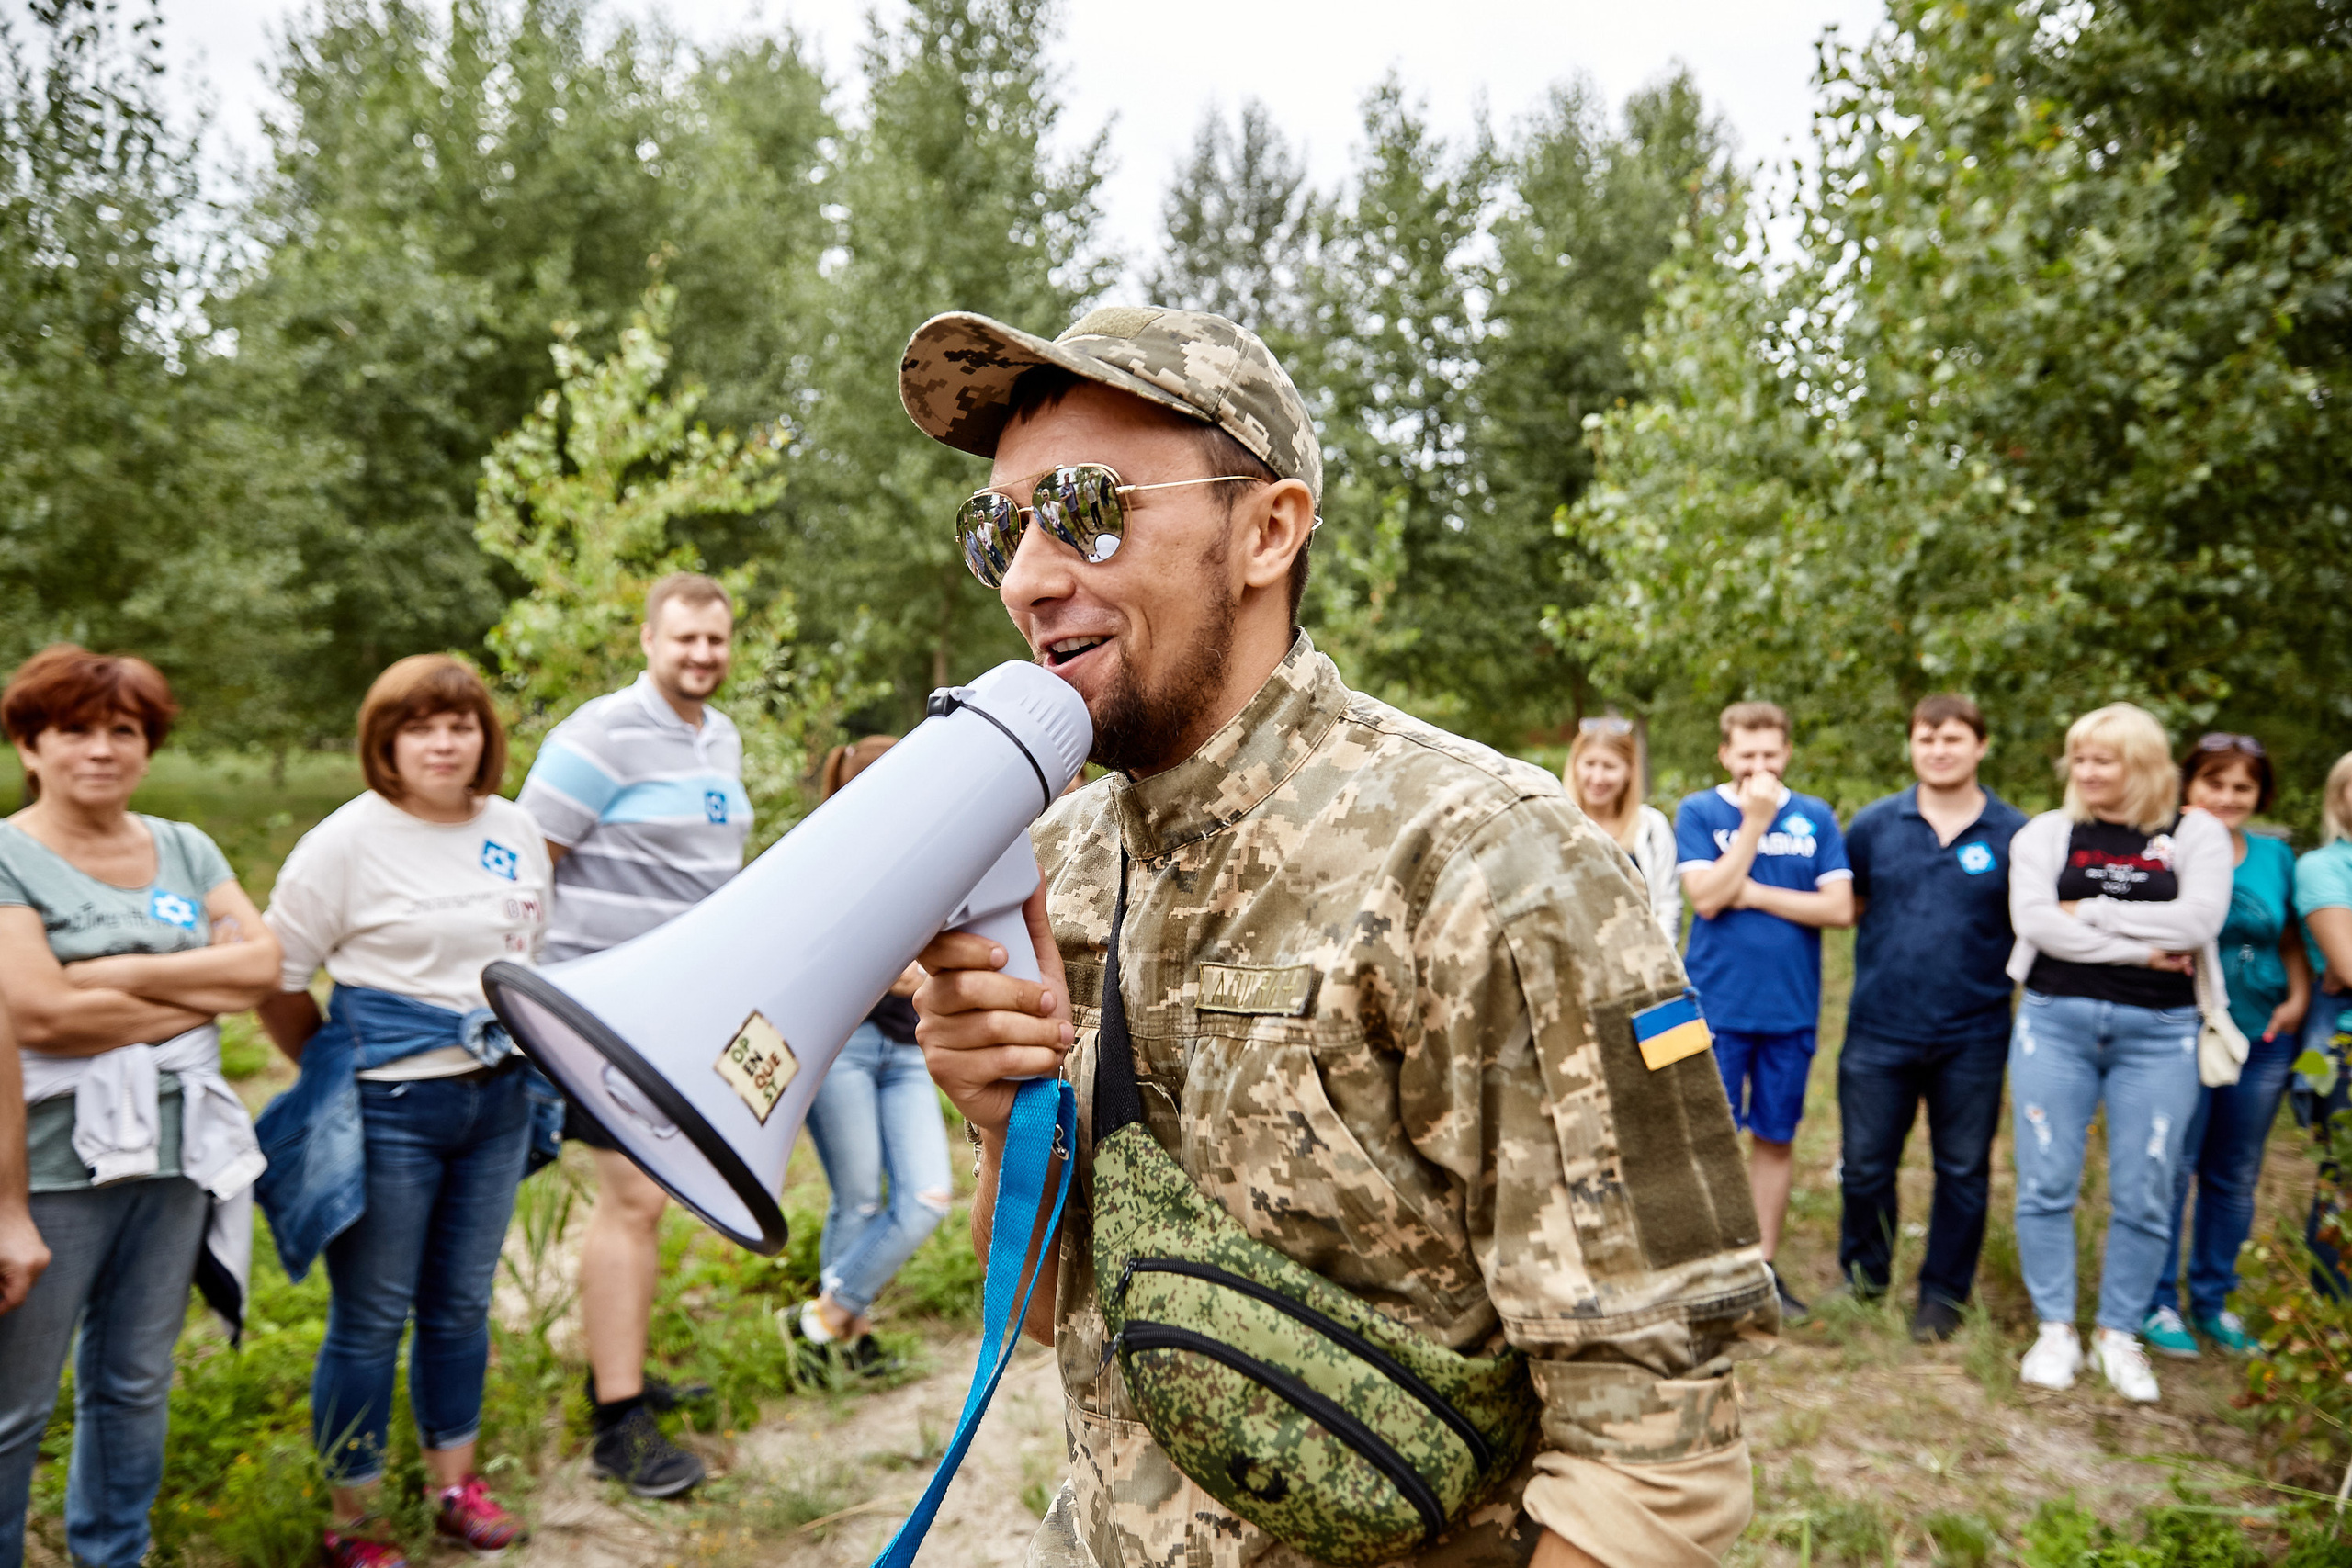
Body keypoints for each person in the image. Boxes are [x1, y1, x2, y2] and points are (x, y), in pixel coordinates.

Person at [905, 305, 1772, 1568]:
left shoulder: (1493, 860)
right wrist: (999, 1118)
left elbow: (1656, 1447)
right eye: (1001, 528)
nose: (1031, 575)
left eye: (1087, 505)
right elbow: (1051, 1313)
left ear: (1268, 529)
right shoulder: (1064, 863)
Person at [254, 656, 551, 1568]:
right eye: (419, 727)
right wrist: (337, 1064)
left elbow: (528, 952)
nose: (443, 742)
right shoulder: (347, 841)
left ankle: (453, 1486)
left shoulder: (513, 827)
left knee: (461, 1305)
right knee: (372, 1316)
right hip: (390, 1112)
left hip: (496, 1101)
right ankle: (356, 1516)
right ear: (386, 743)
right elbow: (275, 974)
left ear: (482, 738)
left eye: (459, 724)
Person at [0, 646, 279, 1568]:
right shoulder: (7, 855)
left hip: (176, 1159)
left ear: (149, 747)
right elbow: (39, 1011)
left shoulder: (185, 847)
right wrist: (195, 991)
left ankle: (112, 1554)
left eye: (124, 730)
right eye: (74, 729)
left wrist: (110, 974)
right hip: (50, 1169)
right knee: (17, 1406)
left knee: (134, 1381)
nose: (102, 749)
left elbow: (263, 968)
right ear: (30, 745)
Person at [514, 570, 750, 1499]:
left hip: (676, 1009)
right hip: (599, 1009)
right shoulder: (598, 734)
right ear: (649, 639)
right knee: (632, 1203)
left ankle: (624, 1370)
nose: (701, 655)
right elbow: (527, 869)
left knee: (647, 1203)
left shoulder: (719, 737)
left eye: (715, 641)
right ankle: (618, 1423)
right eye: (684, 638)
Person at [2005, 703, 2229, 1404]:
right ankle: (2055, 1328)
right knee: (2046, 1177)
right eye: (2080, 757)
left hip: (2160, 1032)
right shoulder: (2048, 832)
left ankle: (2119, 1332)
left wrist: (2091, 912)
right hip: (2054, 1022)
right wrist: (2141, 945)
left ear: (2145, 764)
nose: (2088, 771)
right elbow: (2035, 921)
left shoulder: (2196, 833)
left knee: (2147, 1184)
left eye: (2106, 758)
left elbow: (2198, 921)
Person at [1838, 694, 2029, 1341]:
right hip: (1879, 1026)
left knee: (1963, 1168)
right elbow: (1853, 902)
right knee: (1864, 1164)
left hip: (1973, 1030)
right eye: (1927, 737)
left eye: (1953, 737)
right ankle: (1865, 1277)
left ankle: (1944, 1293)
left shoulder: (2015, 833)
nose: (1939, 749)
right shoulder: (1872, 825)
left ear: (1981, 744)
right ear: (1911, 745)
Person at [1675, 700, 1855, 1316]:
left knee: (1776, 1139)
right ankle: (1708, 1270)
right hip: (1714, 1006)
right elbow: (1706, 899)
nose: (1759, 766)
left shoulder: (1815, 816)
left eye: (1770, 755)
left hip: (1790, 1010)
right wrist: (1752, 825)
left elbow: (1837, 908)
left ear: (1787, 753)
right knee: (1711, 1136)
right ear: (1725, 753)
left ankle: (1762, 1267)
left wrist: (1751, 890)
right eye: (1746, 754)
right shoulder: (1700, 811)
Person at [785, 735, 951, 1375]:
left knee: (926, 1199)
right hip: (843, 1047)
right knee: (855, 1200)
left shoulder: (927, 858)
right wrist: (887, 972)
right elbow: (800, 955)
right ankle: (848, 1343)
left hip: (904, 1048)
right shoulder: (817, 861)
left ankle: (820, 1318)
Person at [2143, 734, 2310, 1358]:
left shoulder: (2275, 857)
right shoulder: (2162, 844)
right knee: (2172, 1166)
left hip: (2261, 1032)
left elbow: (2289, 934)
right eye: (2214, 782)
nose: (2227, 797)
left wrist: (2296, 998)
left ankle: (2214, 1297)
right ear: (2188, 785)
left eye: (2242, 787)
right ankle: (2157, 1299)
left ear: (2260, 795)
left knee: (2234, 1172)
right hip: (2180, 1027)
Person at [2293, 750, 2352, 1298]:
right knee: (2345, 1183)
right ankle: (2335, 1319)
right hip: (2340, 1048)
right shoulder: (2323, 867)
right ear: (2339, 796)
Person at [1566, 718, 1679, 939]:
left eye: (1609, 767)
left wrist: (1657, 962)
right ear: (1575, 765)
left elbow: (1667, 905)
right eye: (1589, 764)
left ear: (1630, 770)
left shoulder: (1651, 826)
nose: (1597, 778)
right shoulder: (1556, 820)